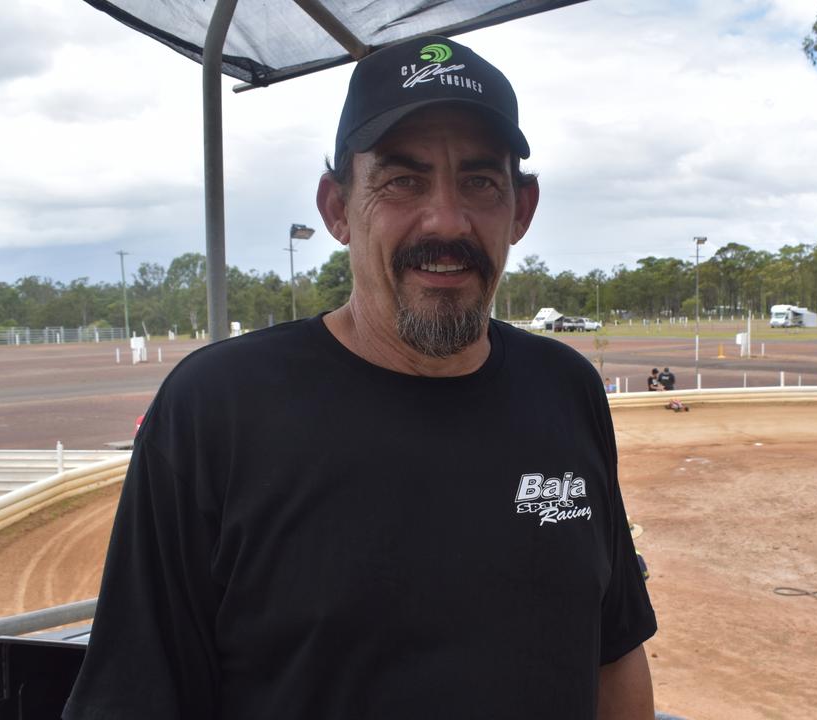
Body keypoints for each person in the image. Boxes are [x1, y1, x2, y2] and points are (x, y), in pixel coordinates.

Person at [64, 35, 655, 720]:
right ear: (337, 208)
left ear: (520, 210)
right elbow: (132, 698)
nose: (446, 218)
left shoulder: (566, 391)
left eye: (480, 181)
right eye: (402, 180)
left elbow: (614, 654)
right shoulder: (216, 410)